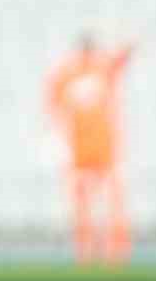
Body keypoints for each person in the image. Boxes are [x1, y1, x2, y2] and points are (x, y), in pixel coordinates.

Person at [45, 34, 133, 265]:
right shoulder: (69, 76)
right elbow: (53, 109)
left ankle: (114, 254)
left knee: (110, 204)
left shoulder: (96, 71)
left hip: (103, 150)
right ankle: (87, 253)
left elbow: (120, 59)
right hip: (81, 152)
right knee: (85, 205)